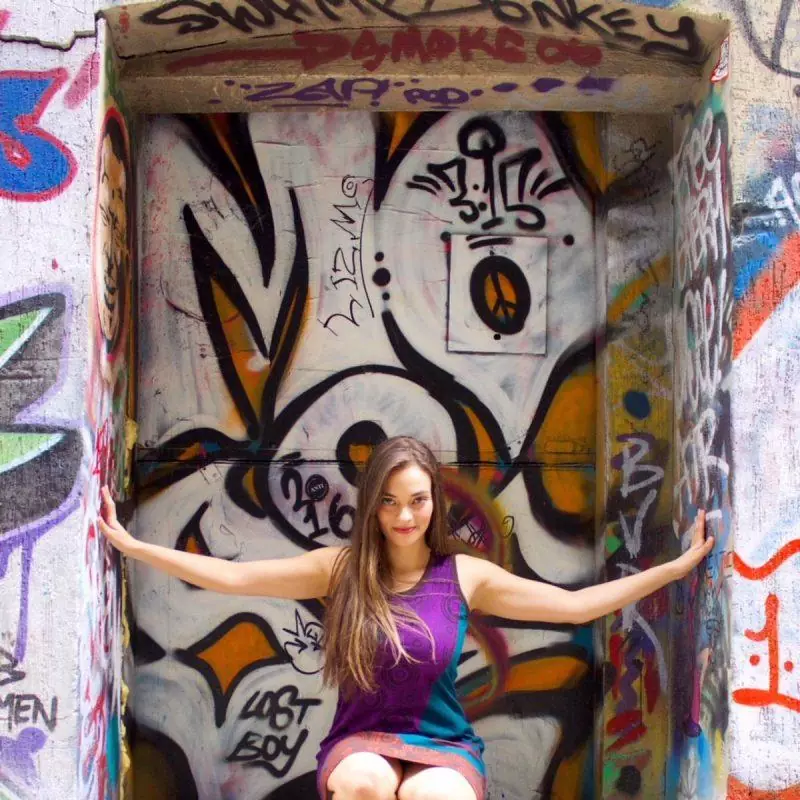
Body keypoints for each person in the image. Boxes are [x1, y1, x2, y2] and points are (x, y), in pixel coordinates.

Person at [98, 436, 712, 800]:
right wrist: (135, 548)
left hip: (444, 746)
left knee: (428, 795)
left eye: (416, 500)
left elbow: (576, 605)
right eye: (389, 502)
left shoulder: (465, 577)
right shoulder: (340, 570)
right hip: (361, 742)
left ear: (433, 504)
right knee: (365, 783)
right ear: (373, 508)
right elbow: (234, 576)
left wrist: (675, 570)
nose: (403, 515)